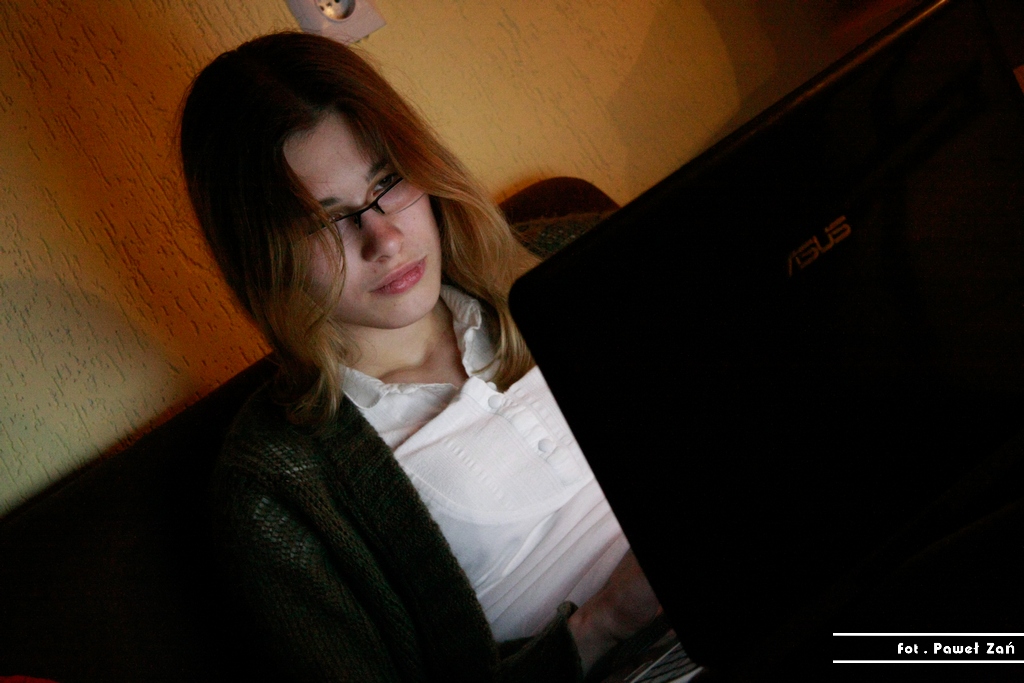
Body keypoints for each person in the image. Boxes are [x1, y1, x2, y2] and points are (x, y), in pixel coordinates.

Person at [179, 31, 663, 682]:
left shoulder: (567, 257)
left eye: (387, 182)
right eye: (326, 221)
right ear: (263, 257)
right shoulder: (276, 487)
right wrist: (604, 621)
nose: (383, 237)